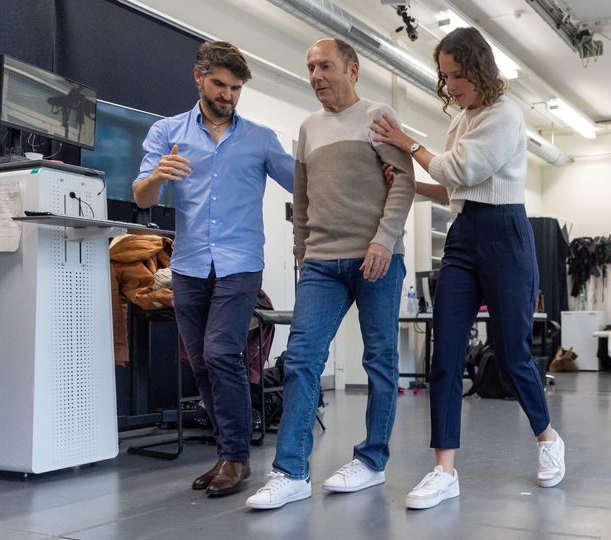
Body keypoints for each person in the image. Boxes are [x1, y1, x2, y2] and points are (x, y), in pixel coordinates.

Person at [371, 27, 565, 510]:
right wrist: (411, 184)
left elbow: (461, 171)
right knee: (446, 353)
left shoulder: (505, 115)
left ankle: (547, 439)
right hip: (464, 236)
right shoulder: (462, 122)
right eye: (444, 76)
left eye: (457, 74)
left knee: (511, 351)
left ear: (479, 69)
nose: (450, 85)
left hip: (506, 236)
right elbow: (456, 189)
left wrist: (407, 142)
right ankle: (444, 470)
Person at [245, 38, 415, 510]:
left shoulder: (379, 117)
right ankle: (291, 471)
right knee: (301, 360)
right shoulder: (308, 128)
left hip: (376, 258)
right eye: (310, 67)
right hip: (322, 263)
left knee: (379, 360)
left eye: (326, 66)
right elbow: (300, 200)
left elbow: (403, 184)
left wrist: (384, 239)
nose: (316, 75)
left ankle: (372, 461)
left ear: (352, 69)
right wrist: (302, 252)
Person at [133, 41, 295, 497]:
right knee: (202, 361)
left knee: (222, 352)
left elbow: (302, 181)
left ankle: (238, 458)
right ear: (198, 78)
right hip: (188, 264)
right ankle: (227, 453)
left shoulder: (260, 138)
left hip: (240, 264)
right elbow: (143, 196)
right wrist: (156, 178)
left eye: (236, 88)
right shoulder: (166, 132)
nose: (227, 95)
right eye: (220, 84)